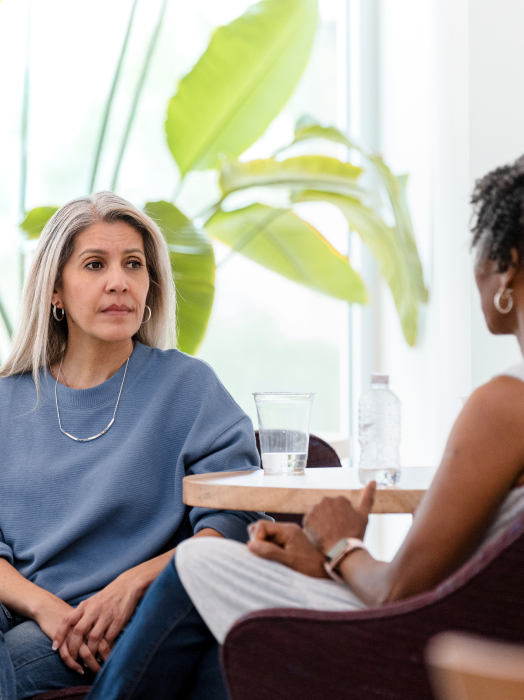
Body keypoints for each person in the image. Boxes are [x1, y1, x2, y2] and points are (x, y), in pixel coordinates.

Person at [72, 154, 524, 700]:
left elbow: (397, 591)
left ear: (509, 265)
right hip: (462, 631)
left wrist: (340, 544)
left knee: (200, 561)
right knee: (209, 657)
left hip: (416, 640)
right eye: (95, 265)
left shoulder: (504, 403)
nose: (117, 282)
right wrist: (326, 560)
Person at [0, 192, 269, 700]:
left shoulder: (188, 388)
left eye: (133, 265)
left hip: (138, 622)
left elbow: (236, 522)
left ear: (150, 285)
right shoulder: (6, 400)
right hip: (35, 617)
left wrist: (131, 586)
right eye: (94, 264)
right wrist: (45, 608)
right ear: (55, 291)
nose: (118, 281)